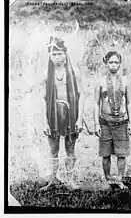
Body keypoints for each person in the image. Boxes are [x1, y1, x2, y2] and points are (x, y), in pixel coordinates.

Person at [40, 36, 85, 191]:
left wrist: (80, 119)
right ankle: (53, 180)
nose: (57, 57)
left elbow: (82, 95)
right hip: (53, 114)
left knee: (70, 148)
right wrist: (43, 121)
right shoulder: (46, 74)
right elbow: (42, 99)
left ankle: (70, 180)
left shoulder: (74, 72)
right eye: (54, 54)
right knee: (53, 149)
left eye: (60, 53)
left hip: (71, 113)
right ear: (49, 56)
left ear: (65, 53)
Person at [94, 51, 130, 189]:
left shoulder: (125, 81)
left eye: (116, 62)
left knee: (122, 153)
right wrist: (96, 123)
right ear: (106, 63)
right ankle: (108, 179)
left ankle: (120, 179)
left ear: (120, 63)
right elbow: (96, 103)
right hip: (105, 122)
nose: (113, 65)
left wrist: (130, 122)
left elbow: (128, 103)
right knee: (105, 154)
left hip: (121, 122)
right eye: (111, 62)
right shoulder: (101, 81)